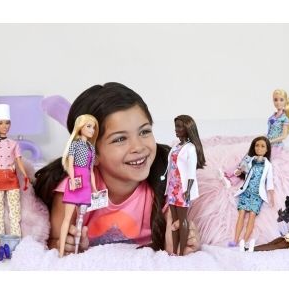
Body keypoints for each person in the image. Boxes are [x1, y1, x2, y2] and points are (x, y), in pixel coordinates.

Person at [34, 82, 201, 255]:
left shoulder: (164, 181)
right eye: (120, 139)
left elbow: (175, 234)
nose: (138, 147)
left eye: (144, 132)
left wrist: (182, 240)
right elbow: (55, 241)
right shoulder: (73, 188)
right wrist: (68, 245)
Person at [0, 104, 29, 249]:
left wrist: (25, 175)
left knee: (15, 213)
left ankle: (16, 244)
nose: (4, 126)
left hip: (12, 178)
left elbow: (19, 160)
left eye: (7, 123)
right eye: (1, 123)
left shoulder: (14, 144)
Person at [162, 115, 206, 255]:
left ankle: (181, 252)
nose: (176, 129)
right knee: (174, 222)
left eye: (179, 126)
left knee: (182, 220)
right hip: (172, 187)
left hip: (183, 188)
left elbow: (191, 172)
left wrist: (188, 190)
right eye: (176, 126)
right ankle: (174, 250)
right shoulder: (176, 146)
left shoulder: (190, 148)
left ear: (187, 128)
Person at [58, 114, 98, 257]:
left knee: (80, 220)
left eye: (93, 127)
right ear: (80, 127)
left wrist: (94, 188)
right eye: (89, 126)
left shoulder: (91, 148)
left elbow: (91, 171)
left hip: (85, 184)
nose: (92, 130)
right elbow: (70, 165)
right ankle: (61, 252)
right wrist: (73, 179)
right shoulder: (74, 144)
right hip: (75, 183)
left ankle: (76, 251)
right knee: (67, 218)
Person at [229, 136, 275, 252]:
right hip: (246, 191)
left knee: (252, 216)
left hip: (258, 195)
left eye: (262, 146)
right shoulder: (249, 160)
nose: (259, 148)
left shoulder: (268, 165)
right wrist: (239, 170)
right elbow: (238, 171)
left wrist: (272, 197)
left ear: (267, 150)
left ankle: (244, 240)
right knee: (241, 214)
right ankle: (235, 240)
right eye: (257, 145)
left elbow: (269, 182)